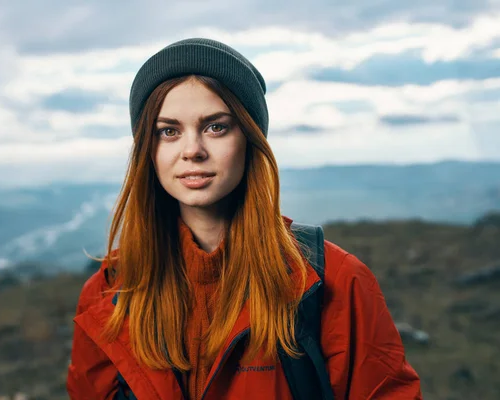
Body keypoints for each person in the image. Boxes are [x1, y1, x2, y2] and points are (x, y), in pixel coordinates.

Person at [66, 38, 422, 399]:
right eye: (168, 131)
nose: (192, 150)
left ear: (250, 137)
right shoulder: (108, 294)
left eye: (215, 127)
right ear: (149, 148)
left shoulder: (335, 284)